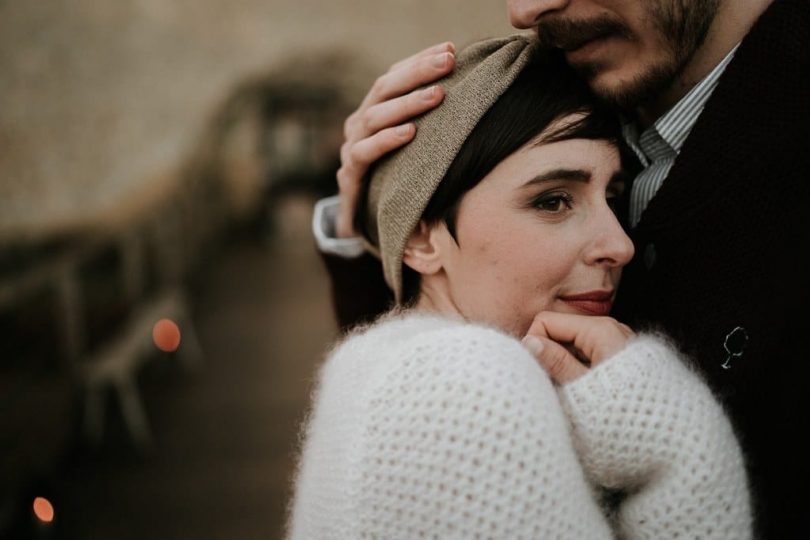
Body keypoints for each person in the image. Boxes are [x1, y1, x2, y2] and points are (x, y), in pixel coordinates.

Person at [313, 1, 810, 536]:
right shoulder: (596, 90)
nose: (524, 9)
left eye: (615, 197)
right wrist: (375, 221)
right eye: (553, 200)